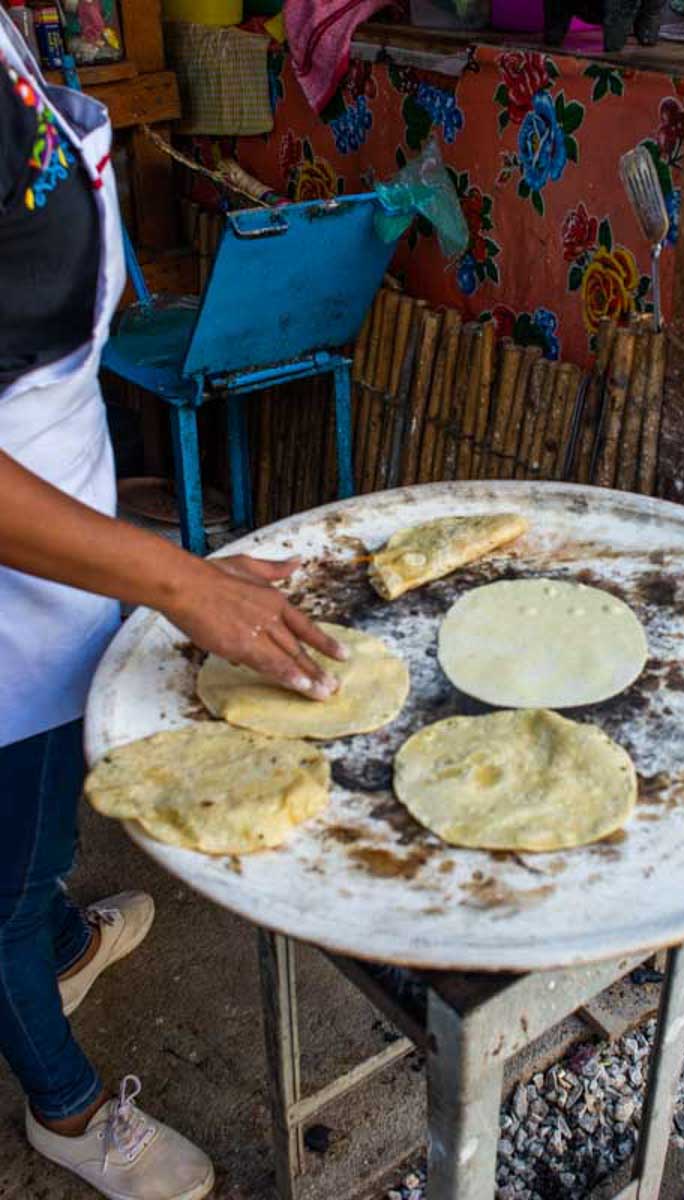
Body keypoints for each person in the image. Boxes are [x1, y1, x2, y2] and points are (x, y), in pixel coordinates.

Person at [0, 10, 345, 1197]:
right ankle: (66, 1107)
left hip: (50, 512)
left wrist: (152, 560)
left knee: (46, 807)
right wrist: (182, 583)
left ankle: (53, 943)